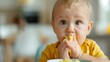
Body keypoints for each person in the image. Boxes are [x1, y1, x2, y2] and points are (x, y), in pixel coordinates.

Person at [39, 0, 110, 62]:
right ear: (53, 27)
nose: (70, 29)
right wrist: (61, 60)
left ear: (88, 28)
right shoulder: (49, 52)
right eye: (63, 22)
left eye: (77, 22)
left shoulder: (91, 47)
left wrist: (80, 55)